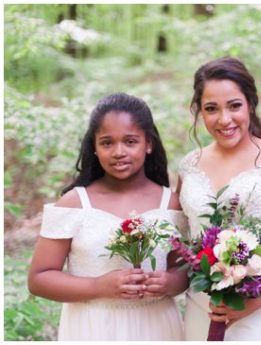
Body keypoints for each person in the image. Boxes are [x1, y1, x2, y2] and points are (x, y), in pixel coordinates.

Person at [27, 93, 187, 340]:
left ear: (149, 144)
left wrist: (170, 283)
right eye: (107, 143)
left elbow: (183, 269)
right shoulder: (75, 203)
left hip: (156, 325)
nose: (118, 152)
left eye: (130, 141)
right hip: (92, 326)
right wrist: (98, 286)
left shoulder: (171, 203)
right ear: (94, 146)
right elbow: (39, 279)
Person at [175, 57, 261, 340]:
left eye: (234, 106)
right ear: (199, 112)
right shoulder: (189, 166)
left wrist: (255, 301)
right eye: (211, 109)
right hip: (202, 307)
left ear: (251, 103)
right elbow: (182, 238)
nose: (224, 119)